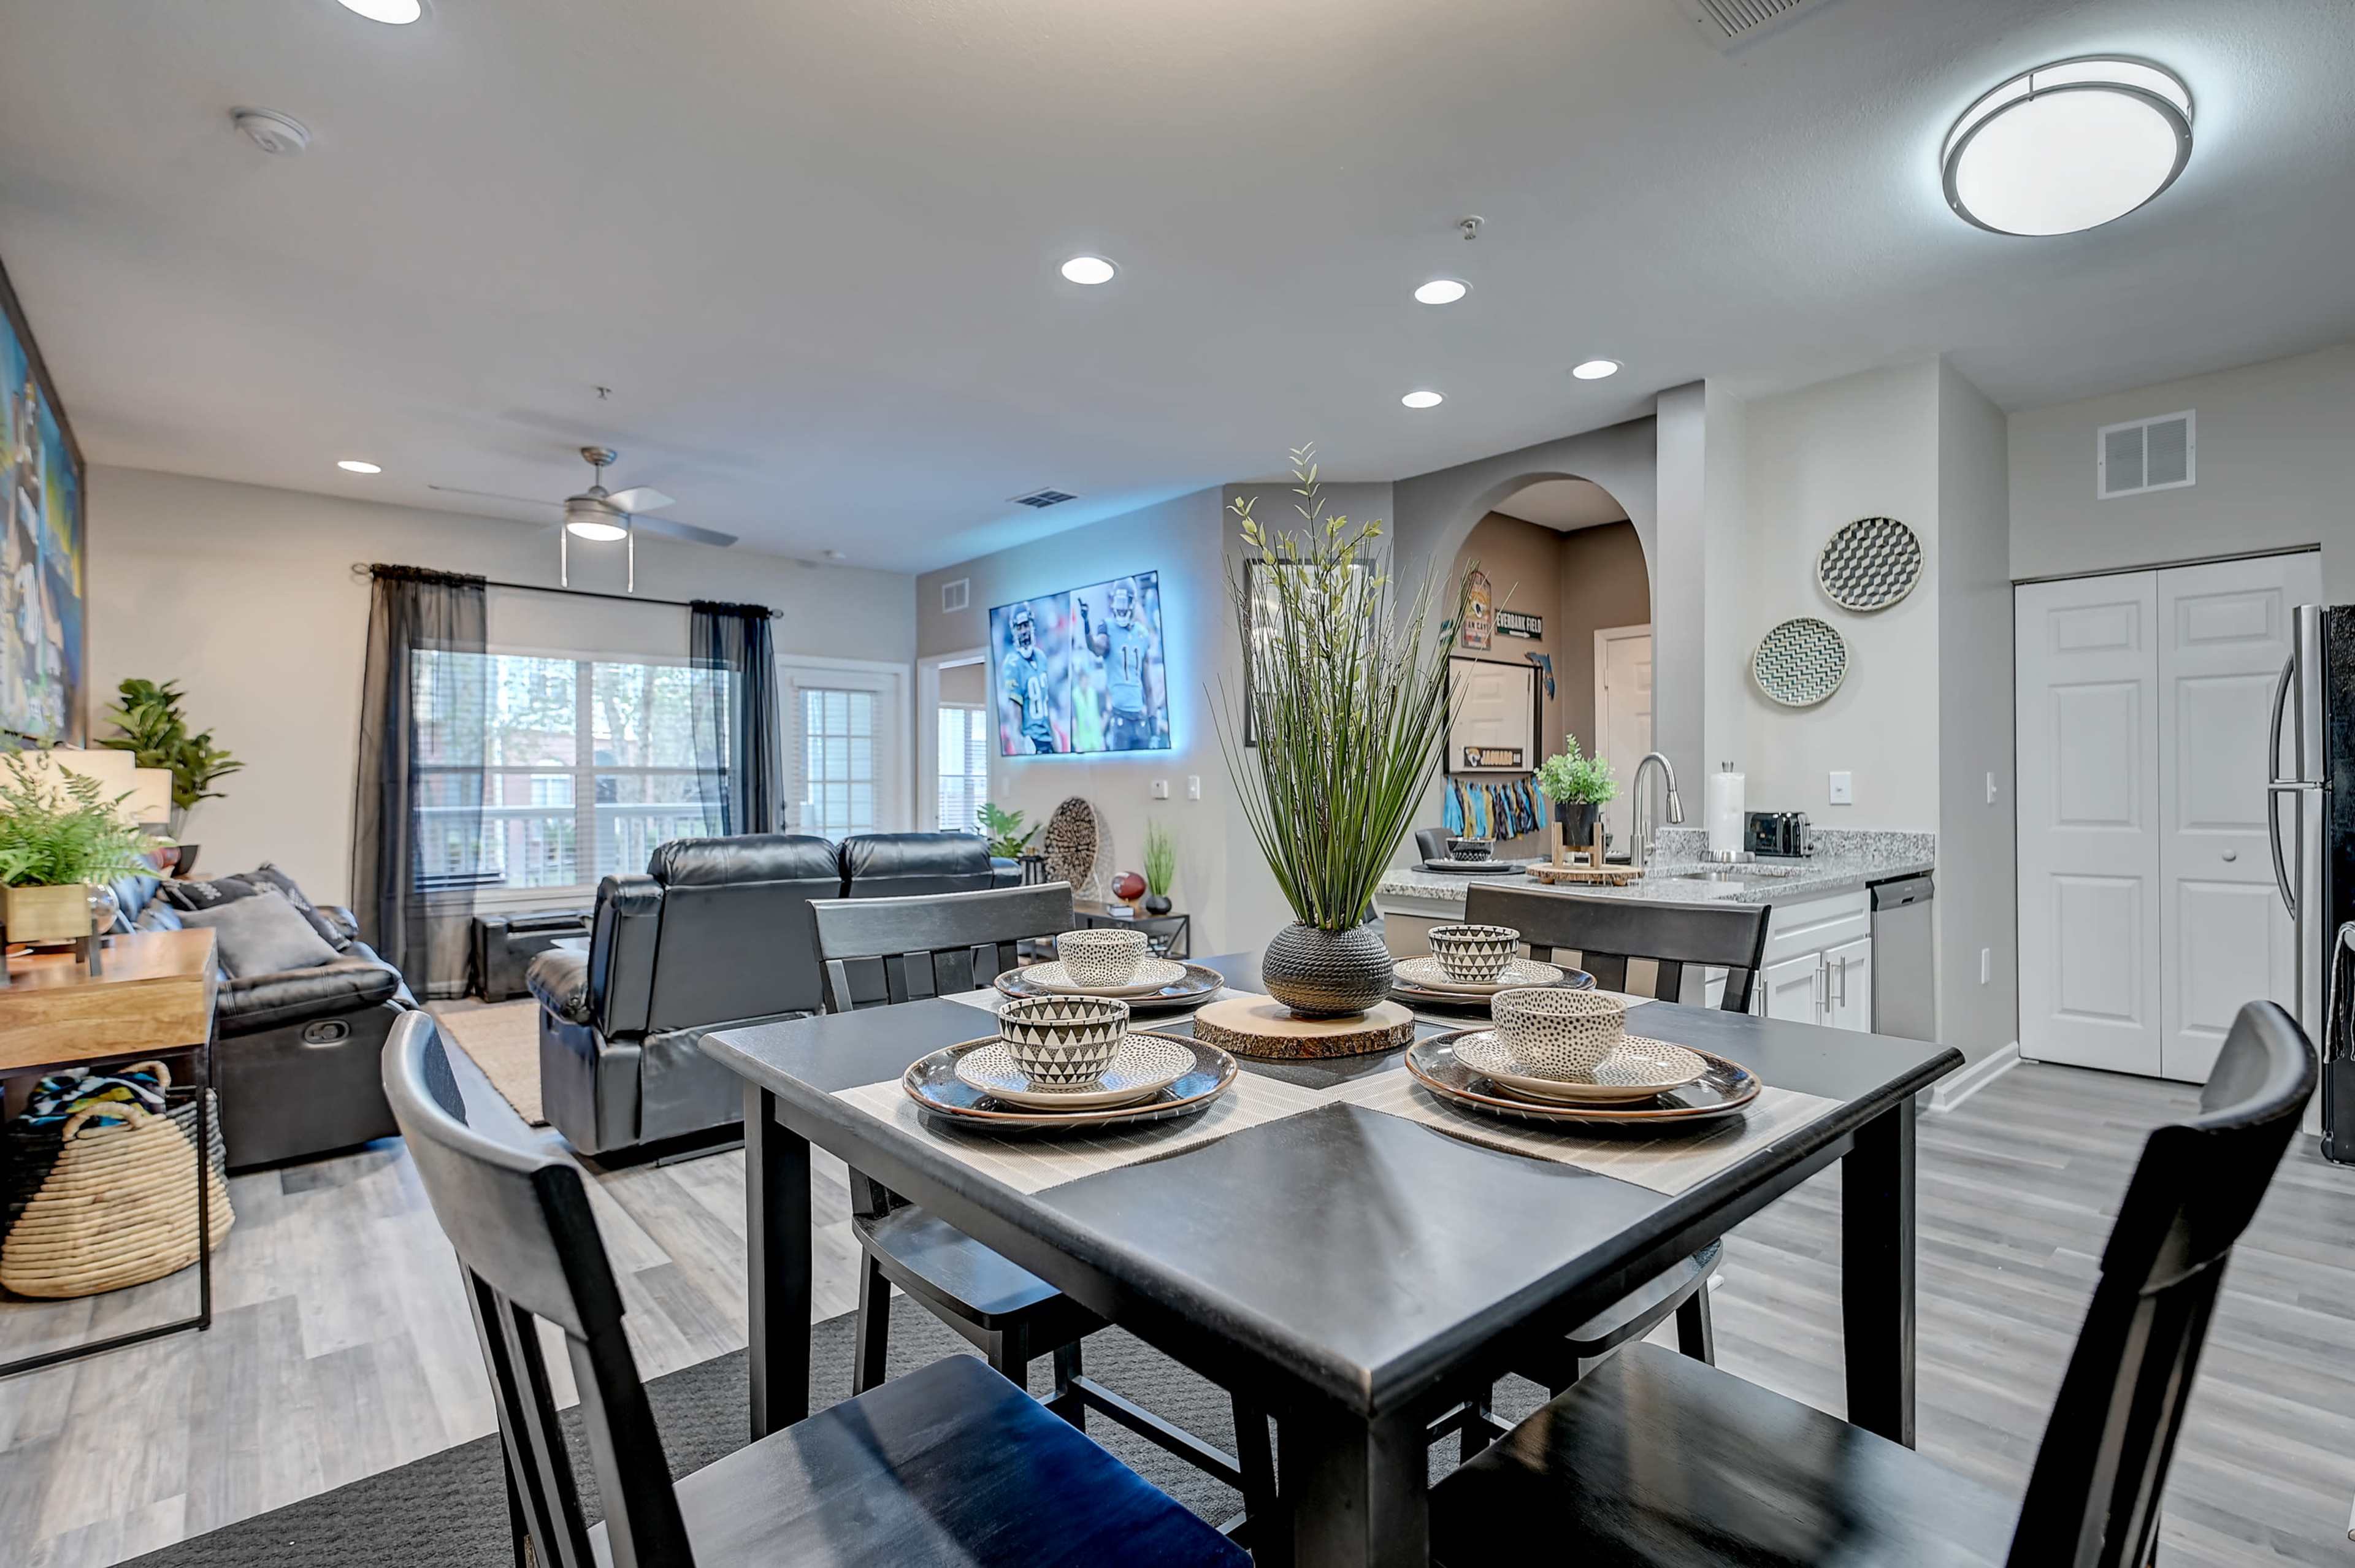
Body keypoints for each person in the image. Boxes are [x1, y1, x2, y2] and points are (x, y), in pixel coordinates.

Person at [1081, 578, 1157, 751]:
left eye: (1124, 602)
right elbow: (1095, 647)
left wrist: (1154, 727)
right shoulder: (1107, 627)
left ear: (1132, 603)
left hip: (1141, 719)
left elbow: (1149, 688)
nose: (1121, 607)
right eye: (1118, 601)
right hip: (1120, 719)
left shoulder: (1142, 635)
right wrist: (1086, 624)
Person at [1000, 604, 1058, 753]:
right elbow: (1014, 723)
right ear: (1014, 631)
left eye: (1026, 625)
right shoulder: (1012, 664)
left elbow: (1046, 707)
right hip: (1032, 743)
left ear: (1032, 625)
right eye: (1019, 627)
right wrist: (1023, 755)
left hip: (1048, 741)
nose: (1024, 631)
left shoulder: (1041, 657)